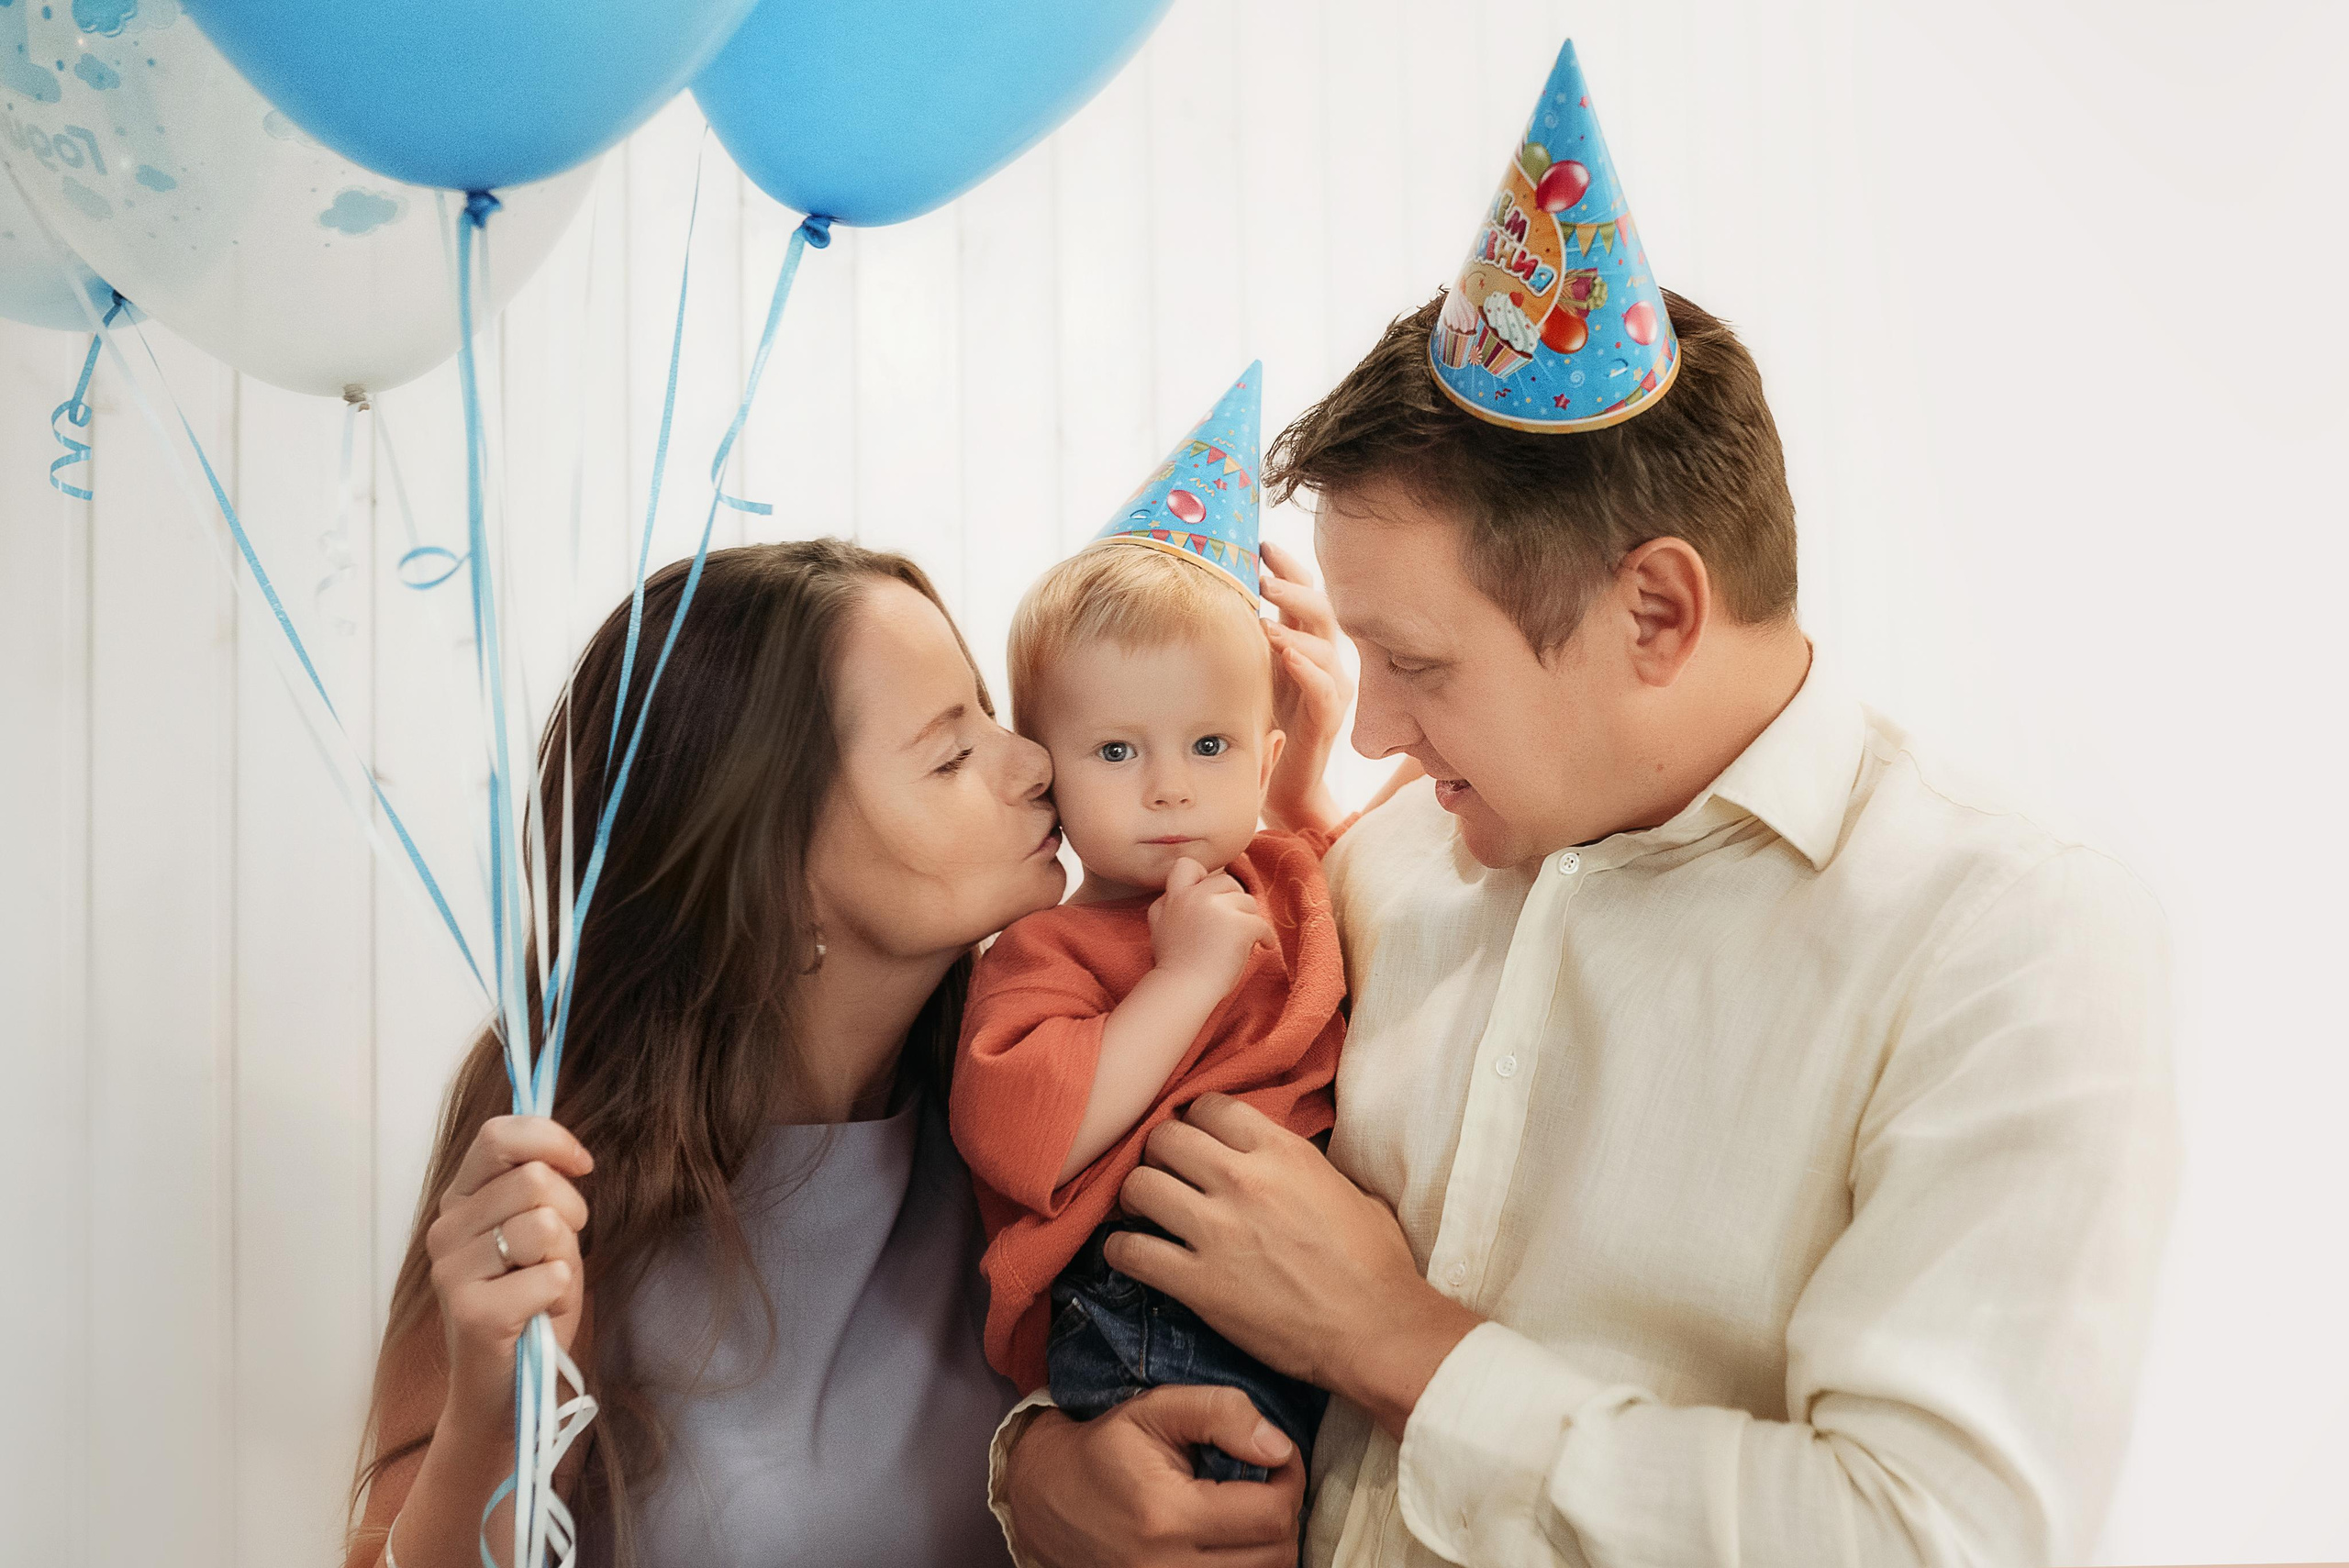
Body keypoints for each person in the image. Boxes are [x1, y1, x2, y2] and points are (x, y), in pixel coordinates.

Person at [994, 40, 2178, 1567]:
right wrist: (1040, 1470)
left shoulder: (2005, 945)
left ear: (1659, 615)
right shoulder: (1378, 874)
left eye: (1418, 661)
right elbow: (1112, 1234)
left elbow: (1923, 1533)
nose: (1370, 727)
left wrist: (1400, 1337)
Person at [344, 539, 1303, 1568]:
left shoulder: (1060, 1081)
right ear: (773, 868)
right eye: (950, 753)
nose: (1033, 760)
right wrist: (492, 1411)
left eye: (988, 711)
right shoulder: (557, 1145)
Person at [950, 484, 1349, 1482]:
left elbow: (1374, 904)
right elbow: (1021, 1133)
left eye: (1208, 746)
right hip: (1155, 1297)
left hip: (1318, 1275)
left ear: (1262, 758)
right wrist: (1184, 979)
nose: (1168, 785)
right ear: (1047, 771)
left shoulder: (1287, 870)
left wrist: (1307, 788)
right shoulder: (1044, 947)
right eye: (1117, 750)